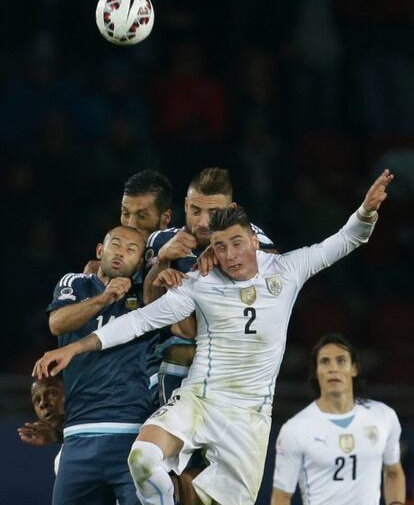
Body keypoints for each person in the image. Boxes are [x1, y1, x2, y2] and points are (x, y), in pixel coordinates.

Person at [33, 169, 393, 505]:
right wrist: (78, 346)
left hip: (247, 415)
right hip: (198, 398)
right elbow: (139, 320)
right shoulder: (199, 281)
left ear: (254, 239)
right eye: (219, 247)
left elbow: (348, 239)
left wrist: (366, 210)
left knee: (203, 496)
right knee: (142, 459)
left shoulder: (287, 269)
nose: (229, 255)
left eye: (236, 243)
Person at [143, 167, 275, 406]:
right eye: (195, 210)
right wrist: (162, 260)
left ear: (231, 210)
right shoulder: (162, 240)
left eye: (213, 212)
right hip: (174, 351)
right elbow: (148, 304)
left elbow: (277, 269)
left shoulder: (247, 235)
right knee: (180, 348)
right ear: (185, 205)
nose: (203, 222)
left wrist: (221, 249)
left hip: (233, 349)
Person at [46, 225, 156, 505]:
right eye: (116, 245)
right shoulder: (76, 284)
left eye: (132, 250)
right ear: (100, 251)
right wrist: (104, 298)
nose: (121, 253)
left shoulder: (147, 295)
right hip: (79, 434)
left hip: (132, 434)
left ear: (141, 262)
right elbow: (57, 323)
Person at [271, 333, 406, 505]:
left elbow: (393, 472)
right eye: (325, 361)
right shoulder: (295, 429)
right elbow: (281, 496)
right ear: (316, 371)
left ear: (354, 368)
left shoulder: (383, 416)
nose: (333, 368)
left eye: (341, 360)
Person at [18, 377, 64, 448]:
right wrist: (57, 437)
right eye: (37, 401)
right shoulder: (61, 456)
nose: (42, 403)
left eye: (51, 394)